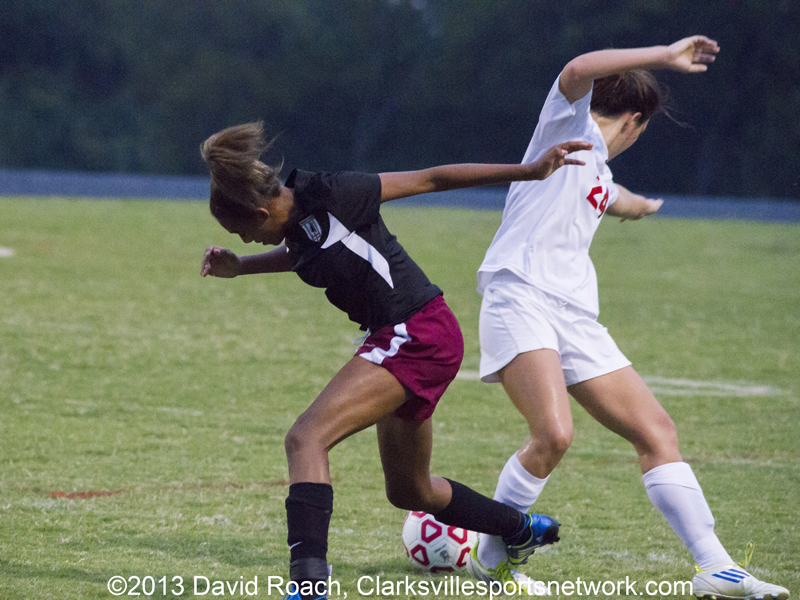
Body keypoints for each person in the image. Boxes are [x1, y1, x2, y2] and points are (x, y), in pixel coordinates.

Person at [199, 122, 591, 600]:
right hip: (409, 337)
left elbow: (431, 179)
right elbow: (304, 251)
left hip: (417, 332)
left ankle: (308, 586)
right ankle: (518, 528)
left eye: (242, 232)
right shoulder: (297, 225)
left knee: (306, 438)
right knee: (410, 491)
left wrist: (528, 171)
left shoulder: (336, 194)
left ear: (262, 212)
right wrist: (241, 266)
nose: (246, 239)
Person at [468, 36, 790, 600]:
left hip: (574, 316)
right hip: (520, 295)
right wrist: (663, 55)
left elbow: (606, 192)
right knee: (553, 434)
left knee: (656, 431)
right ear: (635, 121)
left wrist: (636, 205)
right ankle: (491, 559)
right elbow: (576, 67)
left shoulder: (596, 168)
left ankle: (716, 567)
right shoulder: (567, 124)